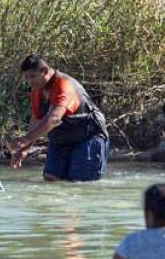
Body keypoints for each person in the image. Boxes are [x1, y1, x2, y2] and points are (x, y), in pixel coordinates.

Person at [8, 54, 109, 182]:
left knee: (79, 184)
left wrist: (27, 138)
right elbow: (36, 120)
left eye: (33, 76)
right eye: (27, 78)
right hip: (62, 140)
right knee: (50, 178)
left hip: (88, 139)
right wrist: (25, 149)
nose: (30, 82)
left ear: (44, 71)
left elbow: (54, 118)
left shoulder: (63, 85)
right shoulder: (36, 90)